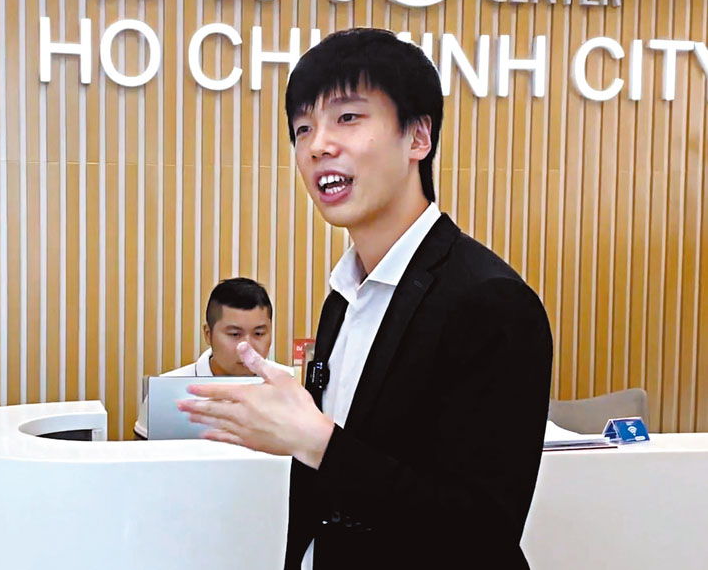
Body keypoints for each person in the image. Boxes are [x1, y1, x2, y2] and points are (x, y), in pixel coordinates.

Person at [179, 28, 553, 569]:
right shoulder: (343, 295)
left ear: (418, 137)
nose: (317, 145)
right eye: (303, 128)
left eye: (348, 117)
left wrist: (316, 441)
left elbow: (482, 531)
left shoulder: (491, 302)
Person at [133, 277, 293, 439]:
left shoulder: (291, 385)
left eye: (258, 333)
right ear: (208, 335)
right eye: (234, 334)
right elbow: (140, 454)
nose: (246, 347)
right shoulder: (166, 392)